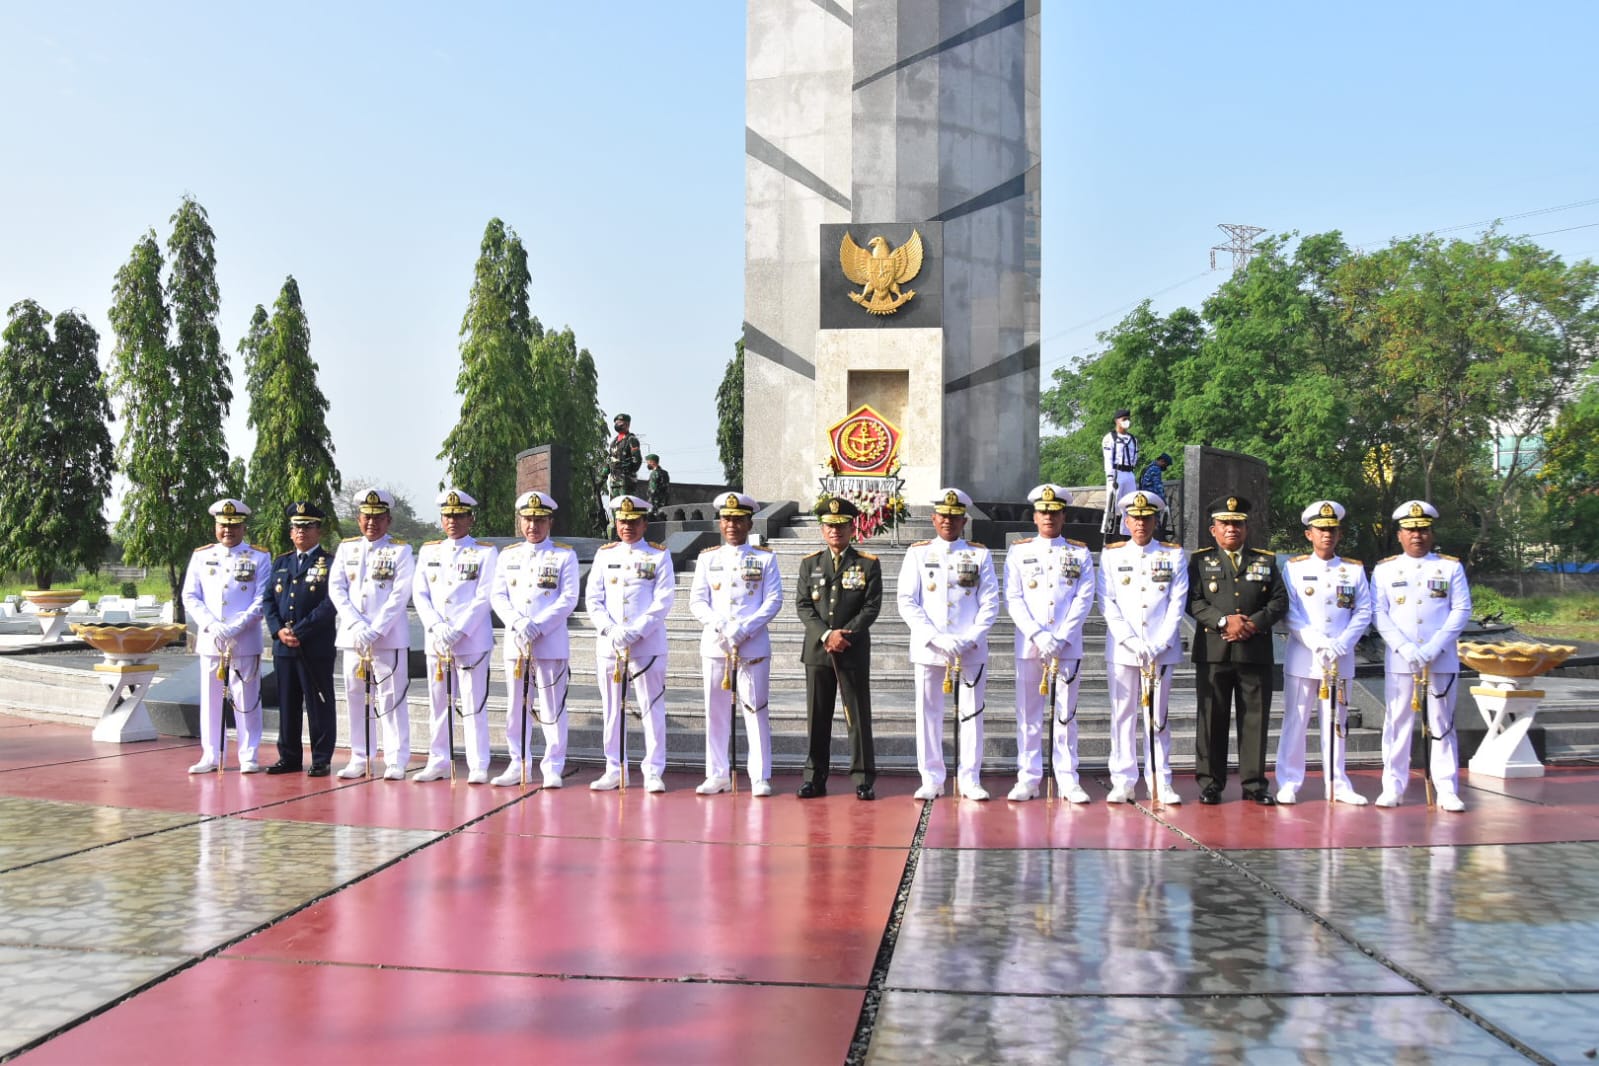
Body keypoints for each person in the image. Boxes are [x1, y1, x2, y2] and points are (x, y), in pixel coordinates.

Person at [897, 488, 1000, 801]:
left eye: (955, 517)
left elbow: (990, 602)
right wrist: (934, 637)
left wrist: (970, 637)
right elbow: (906, 600)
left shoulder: (979, 555)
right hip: (931, 647)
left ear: (964, 520)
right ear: (933, 518)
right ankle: (931, 777)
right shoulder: (917, 553)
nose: (949, 521)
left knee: (972, 713)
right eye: (943, 516)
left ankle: (970, 777)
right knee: (928, 713)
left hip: (970, 648)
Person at [1187, 495, 1289, 805]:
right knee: (1211, 720)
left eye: (1237, 523)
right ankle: (1210, 783)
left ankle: (1255, 784)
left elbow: (1279, 601)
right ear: (1213, 529)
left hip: (1254, 650)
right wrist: (1223, 621)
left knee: (1255, 721)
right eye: (1225, 523)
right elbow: (1193, 601)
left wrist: (1252, 624)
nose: (1232, 528)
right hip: (1214, 651)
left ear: (1246, 528)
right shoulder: (1200, 561)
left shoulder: (1265, 561)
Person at [1372, 500, 1472, 812]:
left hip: (1439, 659)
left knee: (1442, 723)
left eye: (1423, 530)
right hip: (1402, 660)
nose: (1417, 535)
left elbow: (1461, 610)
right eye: (1410, 530)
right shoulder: (1385, 569)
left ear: (1431, 533)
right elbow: (1379, 613)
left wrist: (1434, 646)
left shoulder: (1450, 567)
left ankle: (1446, 788)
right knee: (1398, 722)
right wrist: (1404, 647)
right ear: (1399, 534)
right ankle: (1393, 785)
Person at [1275, 500, 1373, 805]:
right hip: (1305, 657)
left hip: (1340, 657)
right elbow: (1290, 613)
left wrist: (1342, 644)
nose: (1326, 535)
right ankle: (1289, 780)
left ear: (1339, 533)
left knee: (1337, 722)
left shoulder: (1353, 571)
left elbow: (1364, 611)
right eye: (1320, 529)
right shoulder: (1295, 568)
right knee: (1297, 720)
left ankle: (1337, 782)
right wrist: (1318, 642)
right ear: (1309, 534)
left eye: (1332, 529)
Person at [1003, 484, 1096, 803]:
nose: (1049, 517)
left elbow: (1084, 599)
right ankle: (1027, 778)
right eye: (1043, 512)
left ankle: (1068, 777)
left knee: (1066, 715)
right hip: (1031, 645)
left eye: (1054, 512)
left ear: (1063, 515)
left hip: (1067, 646)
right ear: (1034, 515)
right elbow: (1013, 598)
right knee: (1028, 715)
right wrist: (1039, 635)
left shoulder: (1079, 552)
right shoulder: (1020, 551)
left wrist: (1061, 636)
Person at [688, 491, 783, 796]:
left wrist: (744, 629)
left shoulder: (765, 558)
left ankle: (760, 776)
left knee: (756, 710)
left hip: (752, 645)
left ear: (749, 522)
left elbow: (773, 600)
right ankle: (716, 774)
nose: (732, 525)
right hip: (717, 645)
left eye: (738, 519)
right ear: (720, 522)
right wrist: (723, 626)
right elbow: (697, 601)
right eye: (727, 519)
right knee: (715, 712)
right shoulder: (707, 558)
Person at [1098, 491, 1187, 804]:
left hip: (1162, 648)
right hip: (1124, 649)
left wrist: (1161, 640)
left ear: (1155, 520)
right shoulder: (1112, 555)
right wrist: (1131, 640)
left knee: (1157, 717)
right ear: (1125, 520)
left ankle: (1160, 780)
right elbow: (1107, 602)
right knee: (1122, 715)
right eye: (1135, 518)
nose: (1140, 523)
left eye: (1147, 518)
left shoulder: (1173, 555)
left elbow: (1177, 601)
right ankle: (1122, 780)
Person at [489, 490, 580, 788]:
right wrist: (517, 622)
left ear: (550, 521)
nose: (533, 525)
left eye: (539, 519)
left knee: (553, 707)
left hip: (549, 642)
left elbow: (568, 598)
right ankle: (519, 762)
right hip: (517, 644)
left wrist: (538, 625)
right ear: (520, 521)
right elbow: (498, 595)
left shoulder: (564, 555)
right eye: (528, 519)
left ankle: (553, 765)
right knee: (517, 707)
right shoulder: (508, 555)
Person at [586, 494, 675, 792]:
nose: (627, 527)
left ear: (645, 523)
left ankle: (653, 770)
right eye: (622, 521)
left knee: (651, 708)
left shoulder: (659, 556)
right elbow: (593, 599)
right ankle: (614, 767)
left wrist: (636, 631)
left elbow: (663, 600)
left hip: (646, 645)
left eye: (634, 521)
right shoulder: (605, 555)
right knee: (612, 709)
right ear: (615, 523)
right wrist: (610, 630)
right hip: (611, 645)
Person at [795, 495, 882, 801]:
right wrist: (826, 635)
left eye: (842, 525)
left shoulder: (867, 564)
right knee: (817, 717)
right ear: (822, 529)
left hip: (852, 650)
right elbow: (804, 606)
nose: (835, 531)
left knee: (857, 717)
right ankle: (814, 778)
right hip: (819, 652)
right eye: (830, 526)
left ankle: (862, 778)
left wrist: (845, 636)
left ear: (852, 527)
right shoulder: (810, 564)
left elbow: (871, 607)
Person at [410, 489, 499, 783]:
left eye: (459, 515)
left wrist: (459, 629)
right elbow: (420, 594)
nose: (453, 520)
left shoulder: (485, 552)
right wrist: (437, 627)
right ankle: (438, 760)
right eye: (448, 515)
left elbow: (484, 596)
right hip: (437, 641)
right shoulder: (429, 550)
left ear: (470, 518)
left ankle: (477, 763)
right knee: (438, 704)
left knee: (474, 704)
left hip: (471, 639)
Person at [329, 488, 415, 780]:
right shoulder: (346, 548)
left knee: (391, 699)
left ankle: (395, 759)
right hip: (354, 638)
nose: (372, 523)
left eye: (378, 518)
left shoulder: (401, 551)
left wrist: (376, 628)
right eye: (366, 517)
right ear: (358, 518)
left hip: (388, 639)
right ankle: (359, 755)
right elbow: (337, 589)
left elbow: (400, 594)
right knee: (355, 698)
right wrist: (356, 624)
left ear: (388, 520)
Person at [181, 498, 272, 774]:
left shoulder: (259, 557)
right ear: (215, 526)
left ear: (244, 527)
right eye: (223, 525)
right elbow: (190, 595)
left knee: (246, 699)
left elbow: (261, 598)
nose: (227, 531)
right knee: (210, 700)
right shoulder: (201, 555)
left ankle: (248, 754)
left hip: (244, 639)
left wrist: (236, 625)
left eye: (234, 526)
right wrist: (210, 623)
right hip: (211, 639)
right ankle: (210, 753)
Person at [262, 502, 338, 778]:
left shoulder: (330, 563)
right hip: (284, 647)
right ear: (290, 532)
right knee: (287, 704)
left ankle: (320, 758)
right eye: (297, 527)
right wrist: (278, 630)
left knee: (318, 705)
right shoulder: (282, 562)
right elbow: (268, 599)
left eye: (308, 527)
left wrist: (301, 630)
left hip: (314, 646)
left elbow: (331, 603)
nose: (302, 532)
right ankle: (289, 756)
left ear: (318, 530)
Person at [1101, 408, 1139, 536]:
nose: (1126, 422)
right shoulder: (1110, 438)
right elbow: (1108, 459)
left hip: (1129, 473)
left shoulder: (1133, 439)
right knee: (1112, 503)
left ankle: (1127, 534)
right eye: (1124, 419)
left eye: (1128, 419)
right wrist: (1110, 476)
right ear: (1117, 421)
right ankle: (1108, 533)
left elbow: (1135, 456)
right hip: (1116, 473)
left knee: (1130, 504)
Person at [605, 413, 644, 534]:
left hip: (625, 482)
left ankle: (627, 534)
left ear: (627, 424)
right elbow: (608, 461)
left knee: (625, 509)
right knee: (614, 508)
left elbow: (637, 460)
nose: (617, 424)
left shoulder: (631, 440)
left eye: (620, 422)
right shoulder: (614, 442)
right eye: (616, 422)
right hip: (614, 481)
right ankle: (616, 533)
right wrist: (602, 475)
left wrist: (627, 469)